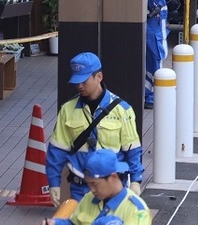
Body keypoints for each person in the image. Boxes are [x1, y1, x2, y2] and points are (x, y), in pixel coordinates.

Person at [46, 51, 144, 207]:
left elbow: (132, 149)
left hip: (112, 187)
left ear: (99, 77)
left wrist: (136, 180)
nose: (79, 86)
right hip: (80, 188)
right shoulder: (67, 110)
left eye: (84, 81)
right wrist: (53, 183)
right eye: (76, 82)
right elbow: (57, 150)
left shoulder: (122, 110)